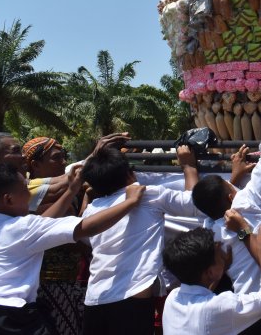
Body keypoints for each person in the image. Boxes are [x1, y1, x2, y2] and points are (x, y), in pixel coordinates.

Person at [0, 163, 144, 334]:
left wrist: (71, 190)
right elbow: (87, 226)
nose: (29, 194)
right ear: (8, 199)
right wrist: (130, 201)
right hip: (11, 316)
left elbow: (44, 223)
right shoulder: (24, 228)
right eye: (25, 189)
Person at [80, 142, 199, 335]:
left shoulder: (93, 210)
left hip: (95, 299)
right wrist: (189, 167)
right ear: (129, 174)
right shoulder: (148, 195)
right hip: (132, 300)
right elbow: (193, 204)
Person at [191, 134, 261, 335]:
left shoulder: (210, 232)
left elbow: (216, 210)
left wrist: (232, 179)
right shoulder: (247, 198)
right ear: (231, 194)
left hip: (251, 302)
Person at [22, 136, 91, 335]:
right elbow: (72, 236)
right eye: (56, 158)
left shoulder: (64, 192)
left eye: (63, 157)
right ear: (35, 165)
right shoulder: (31, 197)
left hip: (67, 281)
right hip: (51, 285)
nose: (63, 163)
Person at [161, 224, 261, 335]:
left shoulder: (172, 298)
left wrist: (221, 269)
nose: (223, 253)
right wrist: (258, 244)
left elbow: (203, 296)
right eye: (219, 254)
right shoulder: (221, 306)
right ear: (210, 272)